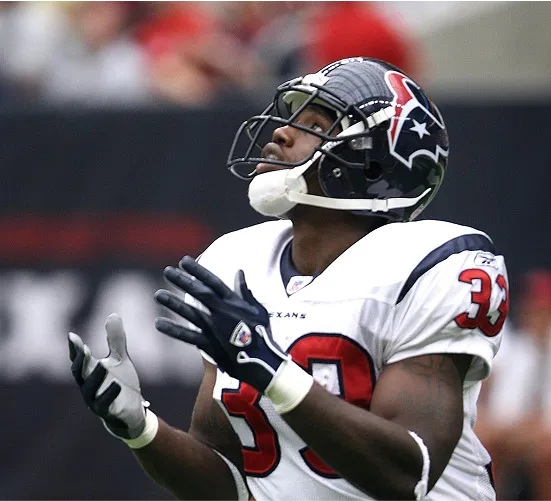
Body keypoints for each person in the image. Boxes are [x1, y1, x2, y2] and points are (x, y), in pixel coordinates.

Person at [68, 57, 510, 501]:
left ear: (372, 162)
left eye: (316, 123)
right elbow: (231, 483)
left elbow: (406, 476)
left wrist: (273, 371)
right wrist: (142, 429)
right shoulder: (237, 260)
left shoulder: (433, 266)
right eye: (291, 118)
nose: (281, 132)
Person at [476, 269, 551, 501]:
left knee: (550, 454)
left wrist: (529, 429)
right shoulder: (519, 345)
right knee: (485, 442)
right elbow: (505, 411)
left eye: (543, 309)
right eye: (532, 308)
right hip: (528, 431)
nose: (537, 316)